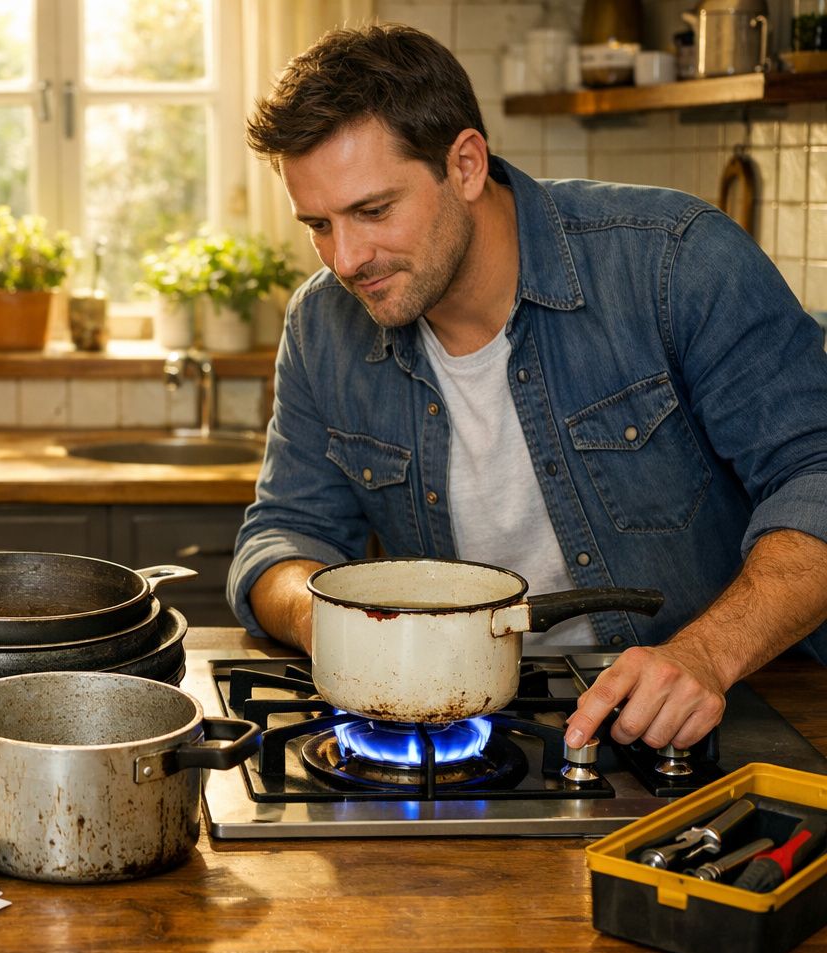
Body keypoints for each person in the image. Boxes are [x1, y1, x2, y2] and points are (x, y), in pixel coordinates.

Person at [229, 23, 827, 753]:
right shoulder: (322, 325)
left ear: (467, 165)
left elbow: (816, 473)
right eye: (317, 224)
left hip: (735, 703)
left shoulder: (673, 262)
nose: (346, 259)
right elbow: (285, 535)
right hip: (482, 732)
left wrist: (704, 654)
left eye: (374, 211)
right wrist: (336, 622)